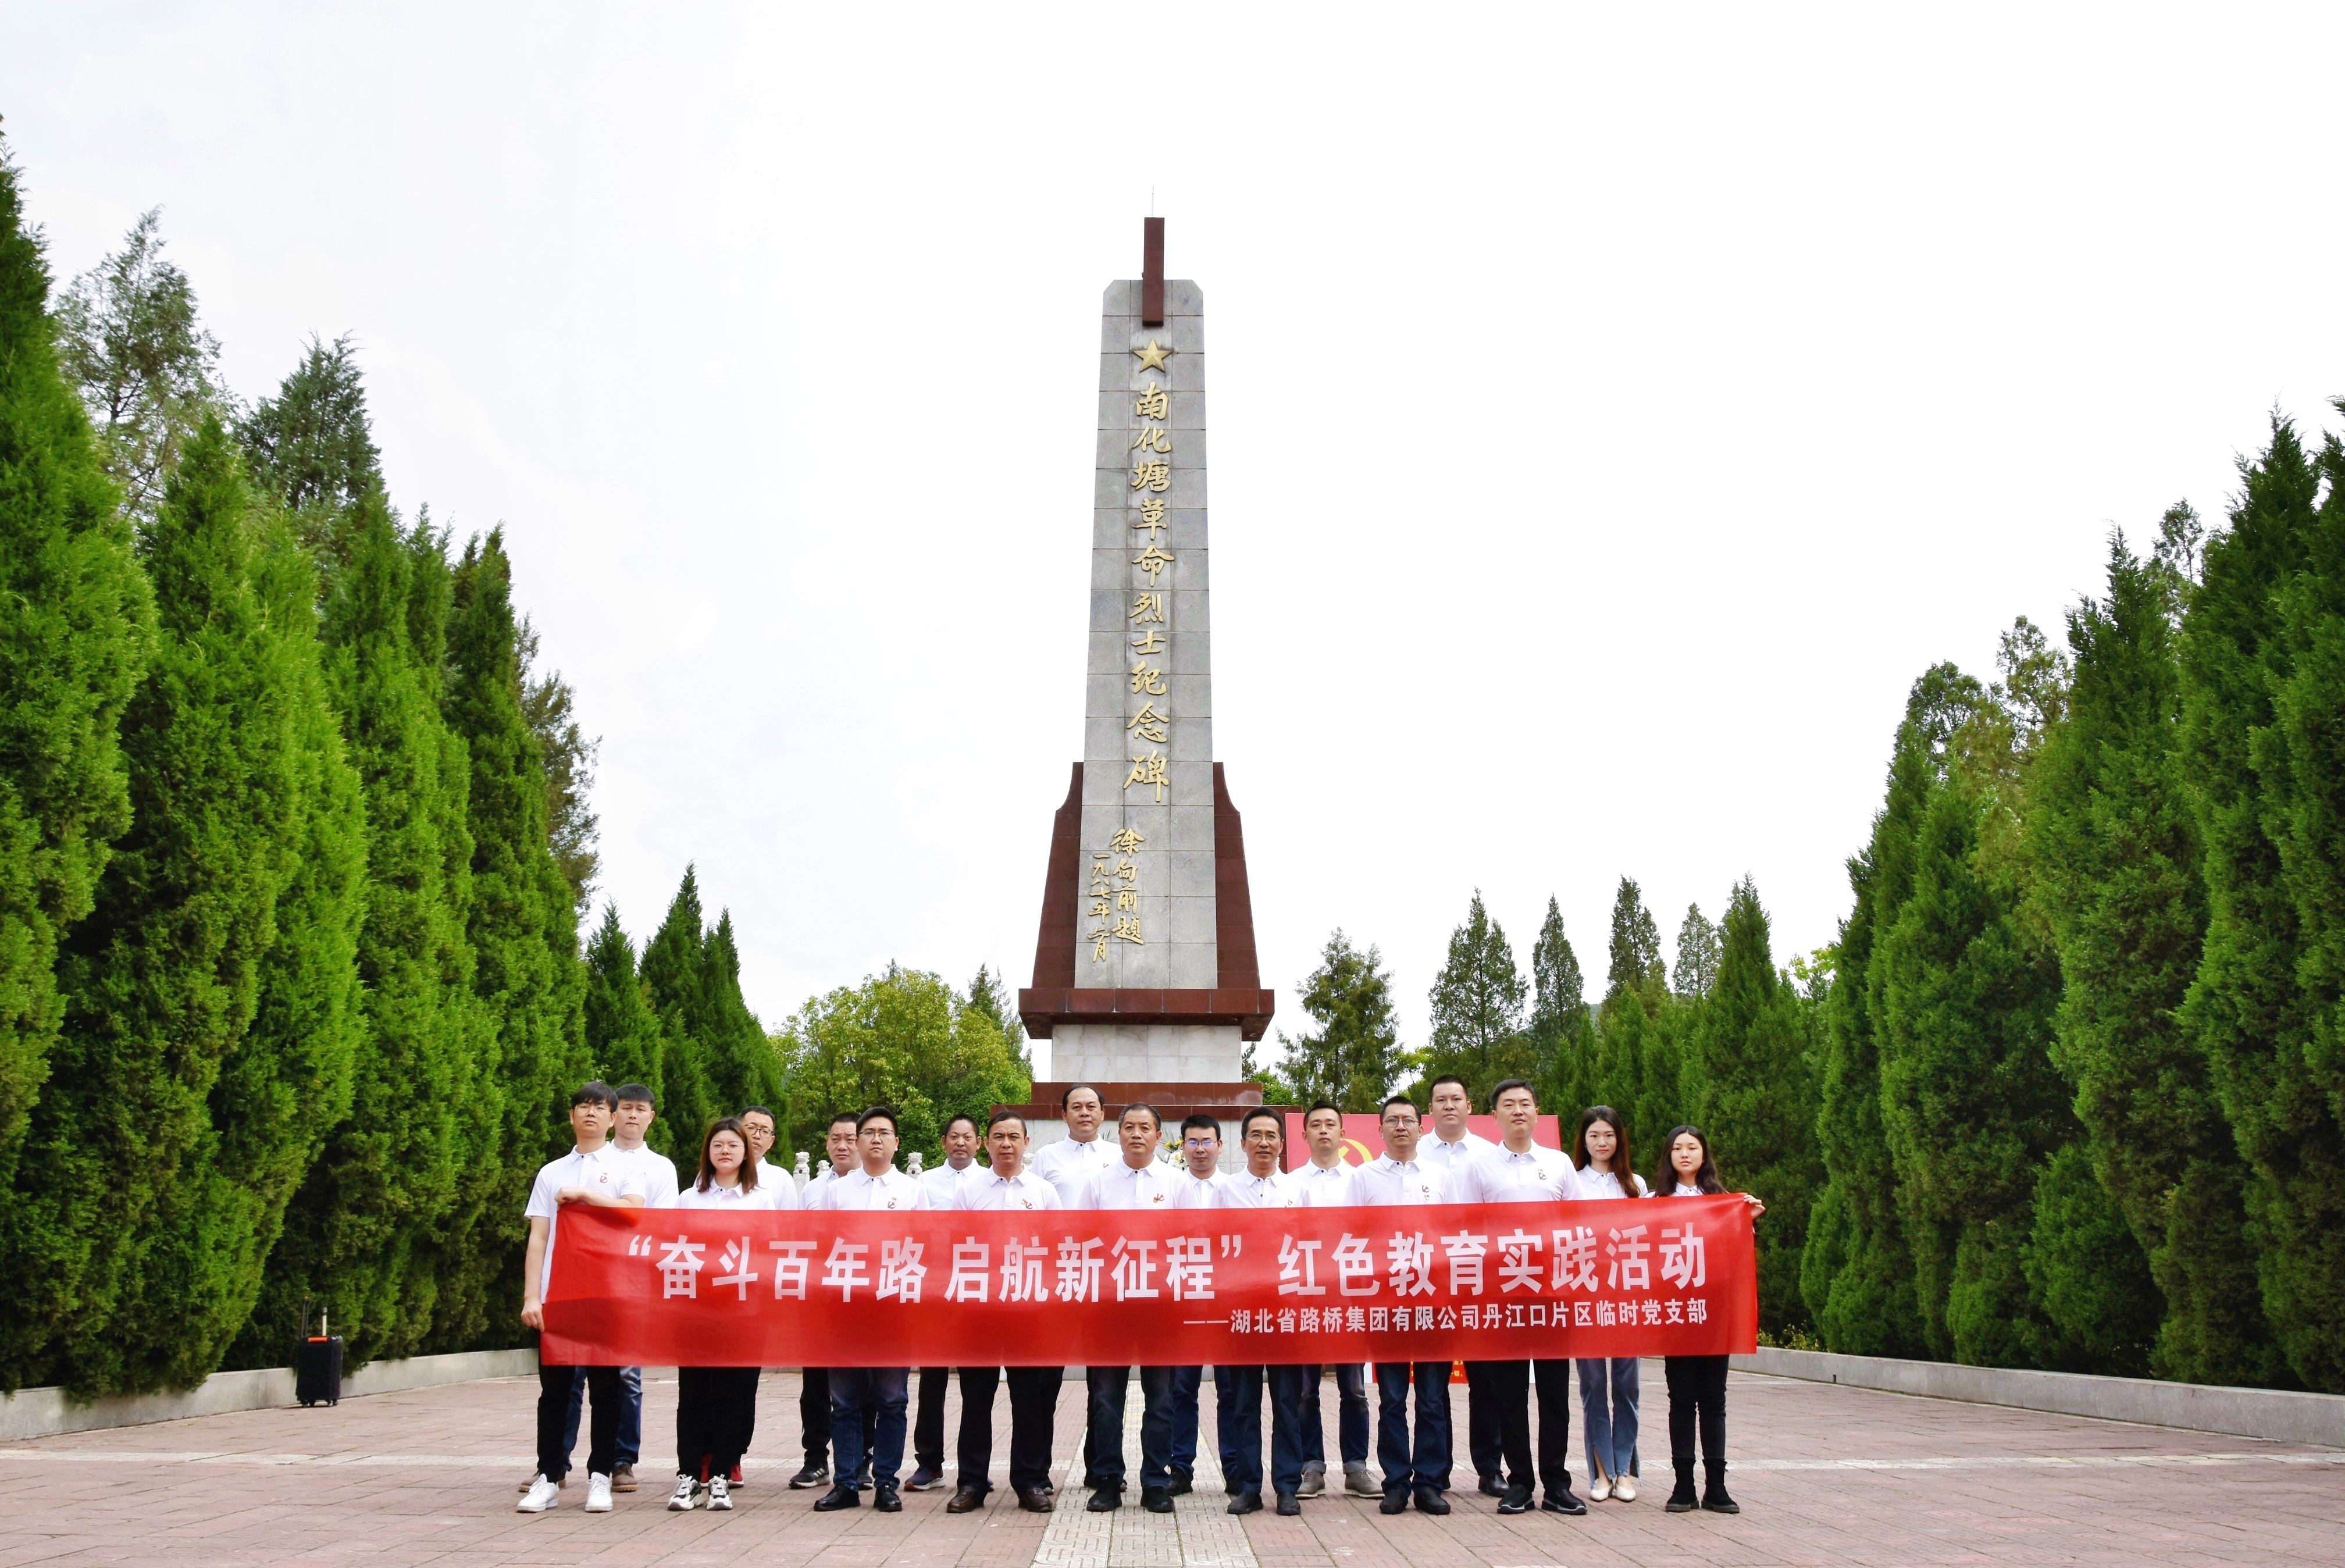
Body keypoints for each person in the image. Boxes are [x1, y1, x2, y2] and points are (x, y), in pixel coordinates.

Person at [518, 1082, 648, 1514]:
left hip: (608, 1294)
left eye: (599, 1107)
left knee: (607, 1390)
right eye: (583, 1106)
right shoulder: (551, 1172)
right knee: (555, 1391)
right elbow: (539, 1237)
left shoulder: (627, 1167)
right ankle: (548, 1475)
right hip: (558, 1295)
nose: (590, 1113)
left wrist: (588, 1196)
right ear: (572, 1116)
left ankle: (600, 1477)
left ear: (612, 1118)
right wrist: (532, 1296)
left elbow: (634, 1212)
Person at [1455, 1079, 1584, 1516]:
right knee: (1508, 1395)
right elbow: (1467, 1231)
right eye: (1508, 1105)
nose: (1518, 1111)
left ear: (1537, 1111)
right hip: (1504, 1296)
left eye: (1525, 1103)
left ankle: (1557, 1483)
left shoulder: (1559, 1163)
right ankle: (1520, 1483)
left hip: (1552, 1296)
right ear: (1493, 1115)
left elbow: (1579, 1226)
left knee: (1554, 1395)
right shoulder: (1480, 1167)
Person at [662, 1117, 790, 1513]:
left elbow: (770, 1255)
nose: (725, 1151)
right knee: (693, 1395)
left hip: (743, 1313)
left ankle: (720, 1474)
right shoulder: (689, 1198)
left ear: (746, 1152)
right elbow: (673, 1251)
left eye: (733, 1145)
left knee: (733, 1395)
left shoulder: (760, 1200)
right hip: (696, 1312)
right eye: (718, 1144)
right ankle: (688, 1476)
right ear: (708, 1151)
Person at [806, 1106, 928, 1513]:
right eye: (869, 1132)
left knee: (892, 1399)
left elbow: (924, 1248)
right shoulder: (836, 1191)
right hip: (846, 1309)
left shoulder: (912, 1191)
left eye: (884, 1133)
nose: (876, 1139)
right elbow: (822, 1246)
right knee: (844, 1401)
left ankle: (887, 1482)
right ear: (857, 1141)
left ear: (897, 1143)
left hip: (894, 1310)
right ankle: (846, 1482)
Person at [946, 1109, 1064, 1516]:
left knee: (1029, 1400)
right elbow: (955, 1247)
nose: (1007, 1144)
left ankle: (1030, 1481)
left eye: (1014, 1136)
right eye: (999, 1136)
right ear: (986, 1144)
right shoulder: (970, 1190)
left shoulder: (1044, 1192)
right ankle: (971, 1483)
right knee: (976, 1399)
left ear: (1027, 1143)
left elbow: (1056, 1249)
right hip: (980, 1310)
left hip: (1028, 1310)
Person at [567, 1083, 679, 1496]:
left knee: (626, 1375)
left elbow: (661, 1225)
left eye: (640, 1109)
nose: (633, 1115)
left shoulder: (660, 1168)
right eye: (626, 1108)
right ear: (614, 1115)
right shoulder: (592, 1158)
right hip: (583, 1279)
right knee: (571, 1375)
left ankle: (621, 1460)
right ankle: (556, 1463)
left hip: (632, 1280)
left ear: (652, 1117)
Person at [1074, 1102, 1181, 1513]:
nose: (1137, 1134)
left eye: (1145, 1128)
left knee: (1161, 1400)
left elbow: (1190, 1242)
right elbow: (1082, 1242)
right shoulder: (1098, 1183)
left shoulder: (1176, 1183)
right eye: (1130, 1127)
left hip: (1160, 1309)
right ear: (1118, 1134)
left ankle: (1155, 1481)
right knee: (1105, 1399)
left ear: (1158, 1136)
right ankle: (1107, 1480)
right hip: (1109, 1309)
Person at [1652, 1124, 1763, 1516]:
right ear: (1668, 1156)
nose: (1685, 1154)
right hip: (1676, 1314)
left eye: (1692, 1147)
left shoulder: (1723, 1200)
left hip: (1714, 1313)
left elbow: (1737, 1255)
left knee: (1714, 1400)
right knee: (1681, 1399)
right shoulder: (1655, 1201)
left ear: (1704, 1154)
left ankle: (1717, 1485)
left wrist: (1749, 1219)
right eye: (1677, 1148)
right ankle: (1683, 1484)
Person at [1353, 1094, 1453, 1516]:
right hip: (1385, 1303)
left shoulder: (1441, 1176)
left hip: (1434, 1301)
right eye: (1392, 1120)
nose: (1400, 1127)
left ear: (1421, 1128)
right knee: (1392, 1399)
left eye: (1408, 1120)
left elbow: (1455, 1234)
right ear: (1379, 1130)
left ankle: (1430, 1483)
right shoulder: (1363, 1178)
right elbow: (1351, 1237)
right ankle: (1396, 1482)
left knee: (1432, 1398)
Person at [1216, 1108, 1309, 1516]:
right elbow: (1215, 1246)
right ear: (1243, 1144)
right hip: (1242, 1311)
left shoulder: (1298, 1190)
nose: (1264, 1143)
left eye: (1272, 1135)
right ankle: (1249, 1486)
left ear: (1282, 1145)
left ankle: (1287, 1486)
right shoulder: (1226, 1191)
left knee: (1288, 1402)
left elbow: (1308, 1246)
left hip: (1286, 1311)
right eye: (1256, 1135)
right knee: (1243, 1403)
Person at [1416, 1074, 1502, 1499]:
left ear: (1470, 1106)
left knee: (1486, 1379)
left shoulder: (1490, 1155)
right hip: (1429, 1281)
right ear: (1430, 1110)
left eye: (1456, 1099)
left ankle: (1490, 1467)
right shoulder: (1413, 1154)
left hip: (1478, 1278)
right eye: (1440, 1100)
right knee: (1433, 1383)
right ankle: (1438, 1469)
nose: (1449, 1105)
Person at [1291, 1101, 1375, 1501]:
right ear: (1304, 1134)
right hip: (1306, 1297)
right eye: (1316, 1125)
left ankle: (1356, 1467)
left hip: (1350, 1296)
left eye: (1331, 1125)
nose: (1324, 1130)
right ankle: (1312, 1467)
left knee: (1354, 1390)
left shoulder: (1361, 1181)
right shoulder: (1291, 1184)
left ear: (1344, 1134)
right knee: (1305, 1390)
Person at [1570, 1104, 1647, 1504]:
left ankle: (1625, 1472)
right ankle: (1601, 1472)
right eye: (1594, 1136)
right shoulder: (1572, 1182)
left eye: (1609, 1135)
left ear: (1620, 1140)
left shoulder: (1635, 1185)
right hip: (1585, 1296)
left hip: (1626, 1297)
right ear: (1583, 1141)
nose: (1602, 1142)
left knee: (1627, 1385)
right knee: (1594, 1385)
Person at [909, 1112, 986, 1492]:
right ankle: (929, 1462)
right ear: (943, 1142)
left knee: (976, 1385)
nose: (960, 1143)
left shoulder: (989, 1182)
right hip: (937, 1288)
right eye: (954, 1136)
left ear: (979, 1143)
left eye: (967, 1137)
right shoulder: (924, 1183)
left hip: (977, 1290)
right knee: (933, 1379)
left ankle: (975, 1467)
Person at [791, 1111, 864, 1491]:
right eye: (836, 1138)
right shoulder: (813, 1190)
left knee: (865, 1384)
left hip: (865, 1298)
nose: (842, 1146)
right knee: (816, 1384)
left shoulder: (880, 1187)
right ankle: (816, 1458)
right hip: (821, 1298)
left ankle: (861, 1460)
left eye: (850, 1139)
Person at [1164, 1113, 1228, 1500]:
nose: (1200, 1149)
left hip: (1227, 1302)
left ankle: (1234, 1468)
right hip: (1183, 1303)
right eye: (1193, 1142)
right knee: (1182, 1389)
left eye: (1207, 1142)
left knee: (1231, 1390)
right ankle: (1180, 1468)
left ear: (1220, 1146)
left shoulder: (1234, 1190)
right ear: (1182, 1147)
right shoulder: (1169, 1188)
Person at [1033, 1082, 1115, 1205]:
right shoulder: (1046, 1155)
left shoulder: (1119, 1155)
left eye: (1091, 1107)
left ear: (1102, 1114)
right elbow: (1035, 1202)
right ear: (1065, 1115)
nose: (1084, 1113)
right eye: (1077, 1107)